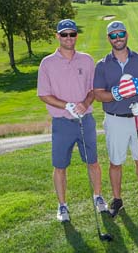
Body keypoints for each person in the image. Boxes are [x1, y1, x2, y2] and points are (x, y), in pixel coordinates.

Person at [37, 19, 107, 222]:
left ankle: (98, 196)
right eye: (64, 34)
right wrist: (66, 105)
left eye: (72, 34)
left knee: (93, 162)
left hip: (85, 120)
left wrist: (85, 103)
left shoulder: (86, 60)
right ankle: (62, 206)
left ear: (76, 35)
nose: (69, 38)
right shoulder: (47, 63)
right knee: (60, 166)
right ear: (57, 36)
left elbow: (94, 89)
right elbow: (43, 94)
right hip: (62, 123)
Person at [93, 21, 138, 217]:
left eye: (121, 34)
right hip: (114, 119)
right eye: (113, 35)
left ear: (126, 35)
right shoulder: (102, 65)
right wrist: (117, 95)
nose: (118, 38)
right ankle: (117, 199)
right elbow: (98, 94)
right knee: (115, 162)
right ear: (109, 38)